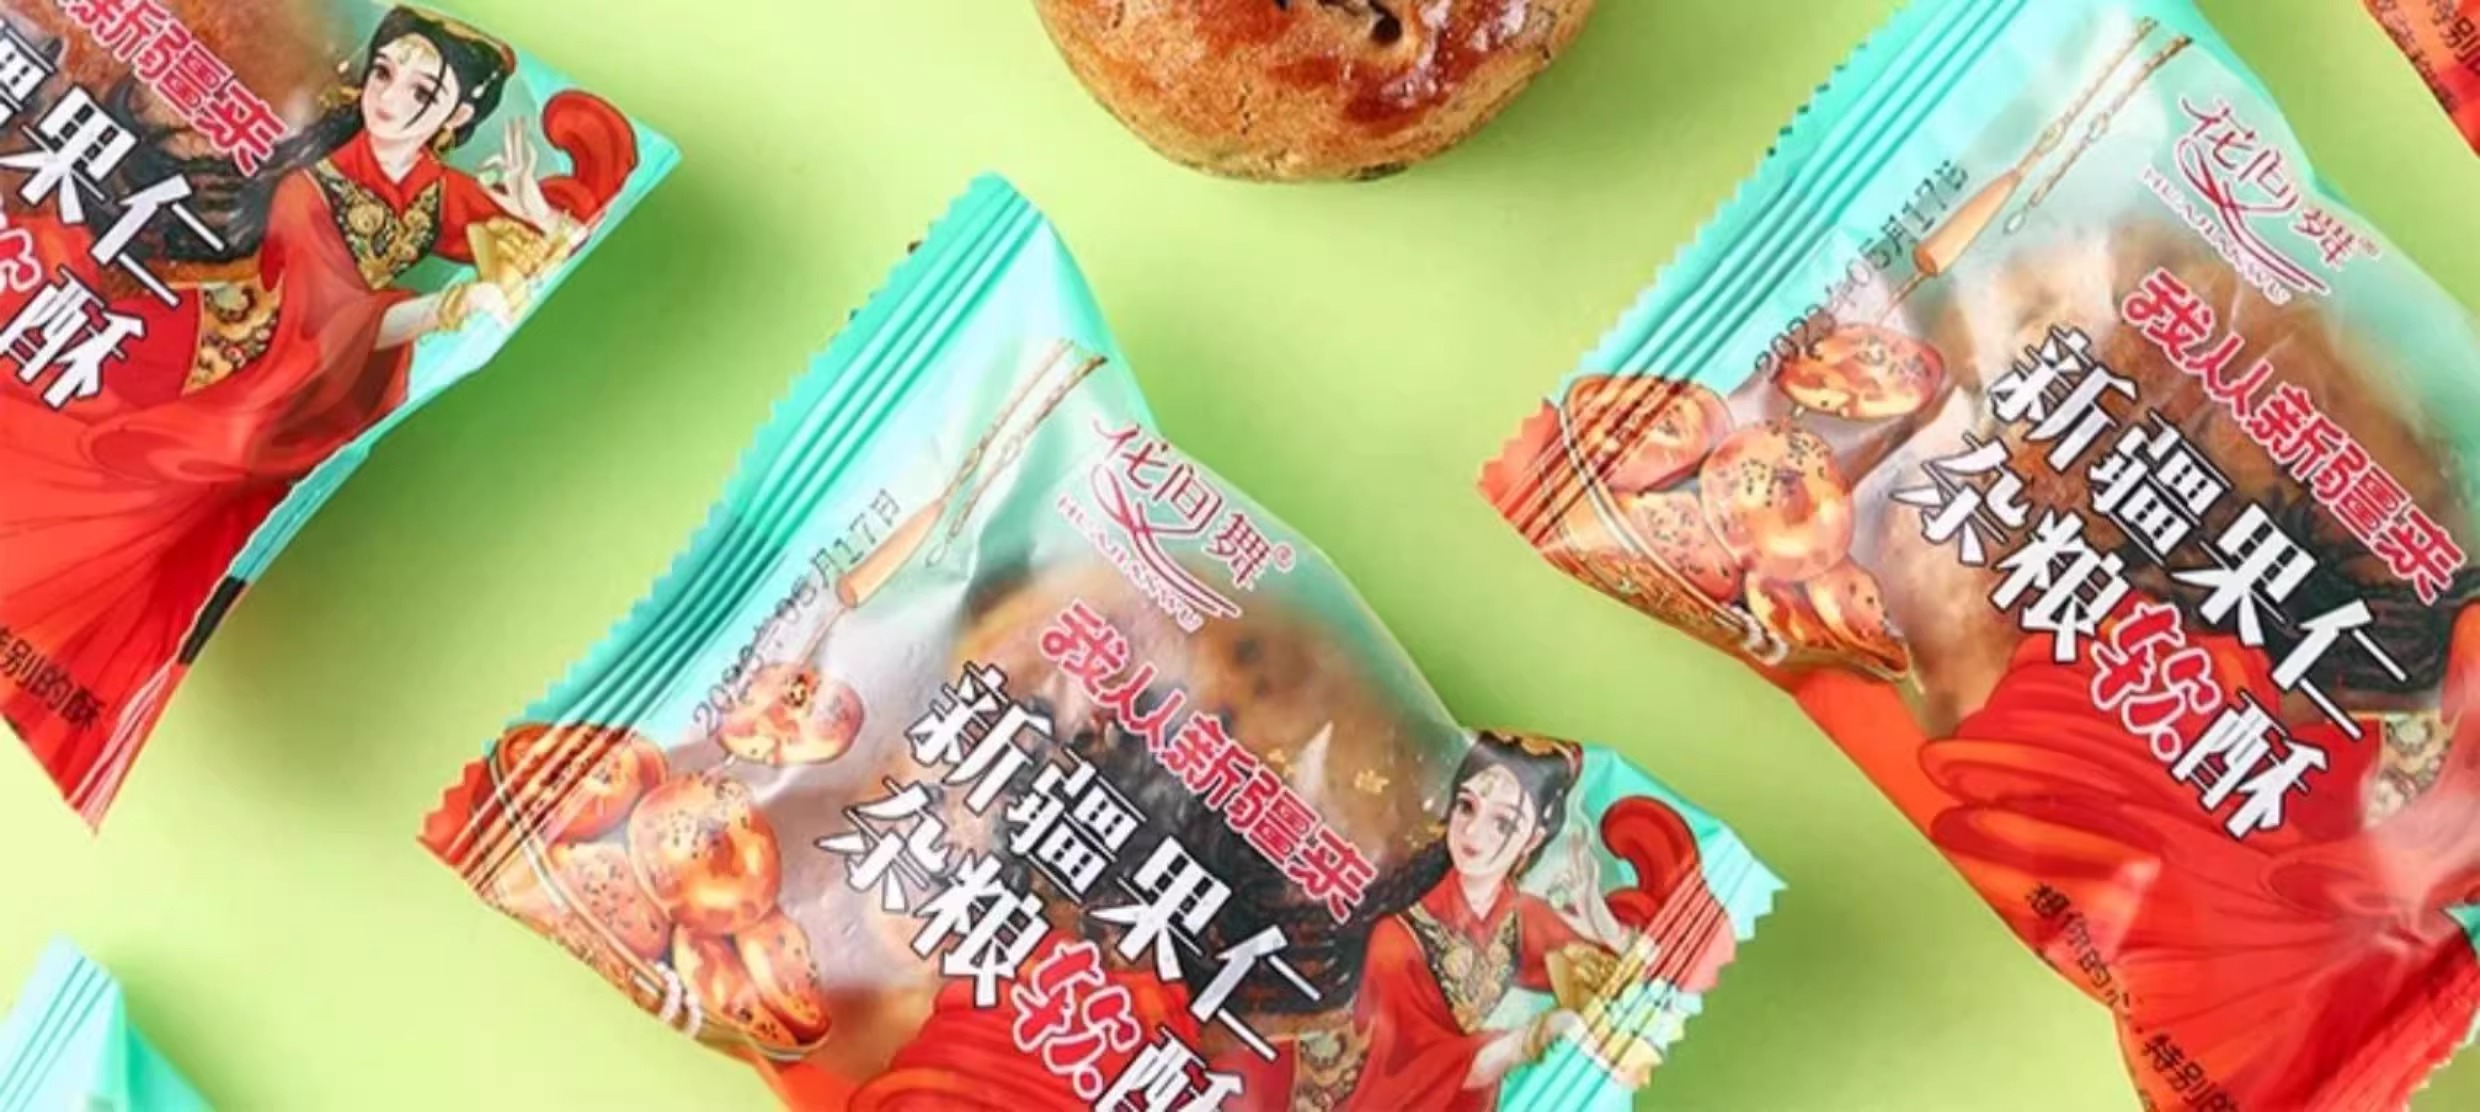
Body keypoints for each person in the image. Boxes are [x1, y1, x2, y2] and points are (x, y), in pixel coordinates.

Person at [0, 6, 638, 814]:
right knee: (109, 432)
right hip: (226, 333)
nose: (392, 97)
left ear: (459, 115)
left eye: (422, 90)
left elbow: (545, 246)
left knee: (161, 471)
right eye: (386, 73)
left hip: (295, 381)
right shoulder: (313, 153)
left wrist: (520, 224)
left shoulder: (439, 196)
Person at [1340, 733, 1643, 1111]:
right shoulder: (1397, 939)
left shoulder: (1519, 915)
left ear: (1532, 839)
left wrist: (1601, 919)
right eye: (1467, 807)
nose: (1473, 832)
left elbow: (1629, 981)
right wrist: (1537, 1034)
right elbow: (1421, 1067)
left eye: (1503, 823)